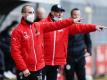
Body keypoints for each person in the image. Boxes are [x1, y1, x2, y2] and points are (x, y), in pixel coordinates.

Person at [10, 5, 82, 80]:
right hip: (25, 70)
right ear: (23, 14)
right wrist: (23, 68)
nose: (32, 14)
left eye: (33, 12)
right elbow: (15, 52)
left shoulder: (38, 25)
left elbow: (56, 25)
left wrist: (71, 21)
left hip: (38, 69)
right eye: (29, 12)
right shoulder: (17, 31)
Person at [41, 4, 106, 80]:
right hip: (43, 61)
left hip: (58, 62)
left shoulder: (65, 25)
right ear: (52, 12)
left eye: (61, 12)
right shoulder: (43, 23)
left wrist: (94, 27)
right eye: (58, 12)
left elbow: (82, 28)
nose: (60, 14)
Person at [64, 8, 93, 80]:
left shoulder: (84, 27)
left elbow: (88, 41)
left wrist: (89, 51)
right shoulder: (66, 27)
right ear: (71, 16)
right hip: (69, 58)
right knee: (69, 77)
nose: (76, 16)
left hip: (81, 57)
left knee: (82, 77)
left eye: (78, 15)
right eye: (74, 14)